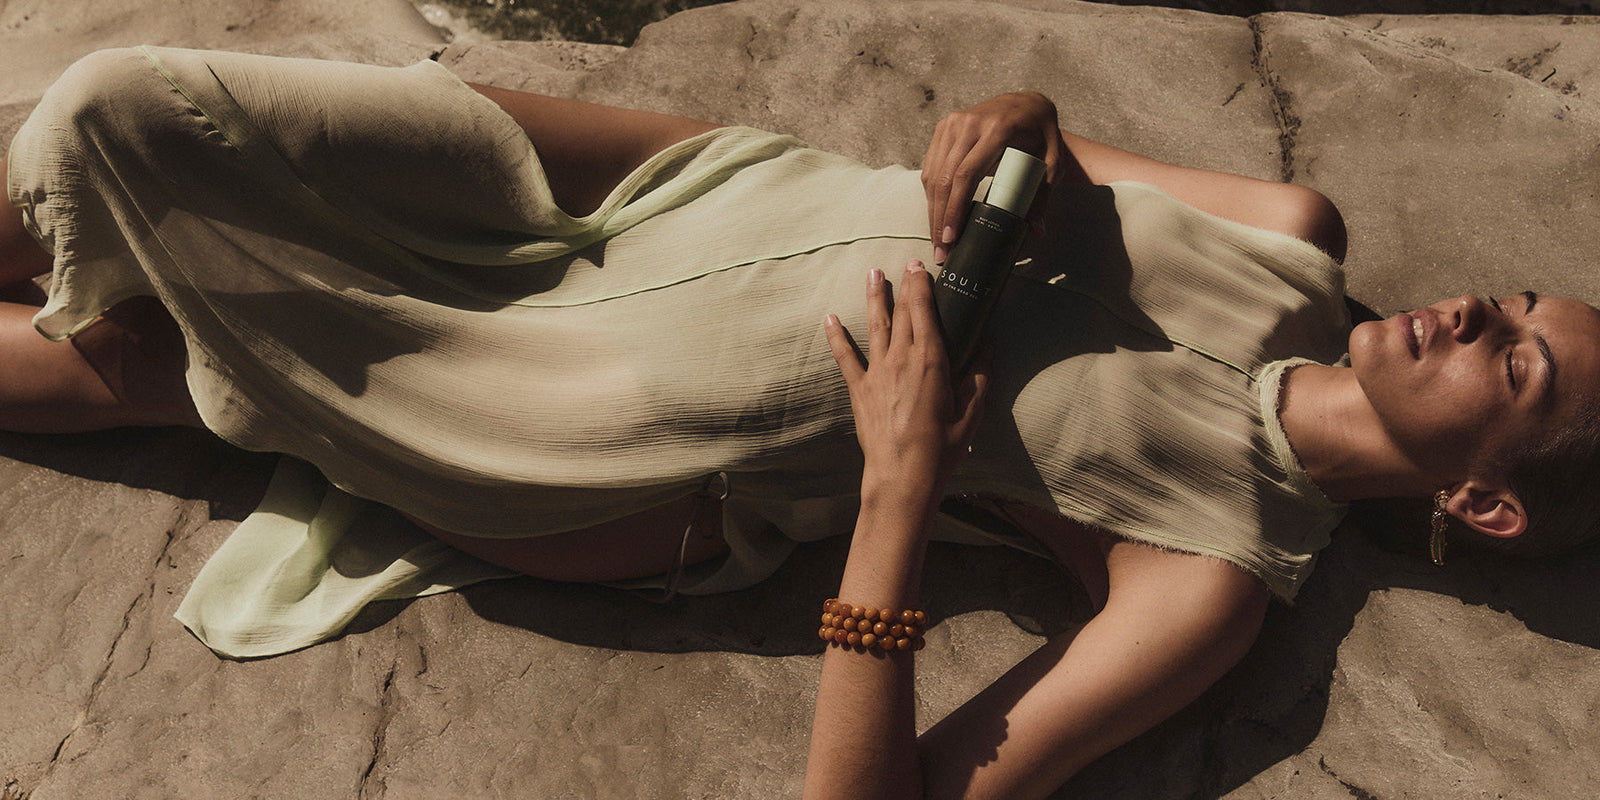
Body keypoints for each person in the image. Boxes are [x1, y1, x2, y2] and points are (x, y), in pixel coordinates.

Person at [5, 47, 1599, 799]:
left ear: (1488, 504)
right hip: (684, 186)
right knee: (121, 111)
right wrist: (1023, 119)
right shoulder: (1292, 233)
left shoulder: (1214, 580)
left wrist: (897, 488)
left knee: (158, 361)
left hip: (613, 424)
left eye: (1517, 365)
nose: (1477, 311)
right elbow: (1043, 156)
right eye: (1518, 300)